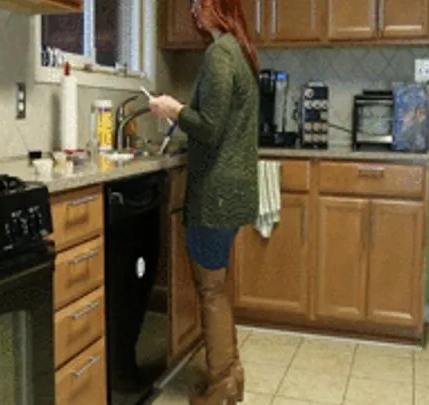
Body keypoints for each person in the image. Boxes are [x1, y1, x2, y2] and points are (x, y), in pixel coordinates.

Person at [148, 0, 259, 404]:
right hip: (233, 190)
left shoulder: (219, 54)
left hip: (215, 191)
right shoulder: (239, 51)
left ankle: (220, 386)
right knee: (218, 286)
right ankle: (232, 373)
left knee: (210, 290)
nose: (194, 11)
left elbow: (209, 128)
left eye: (200, 3)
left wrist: (173, 109)